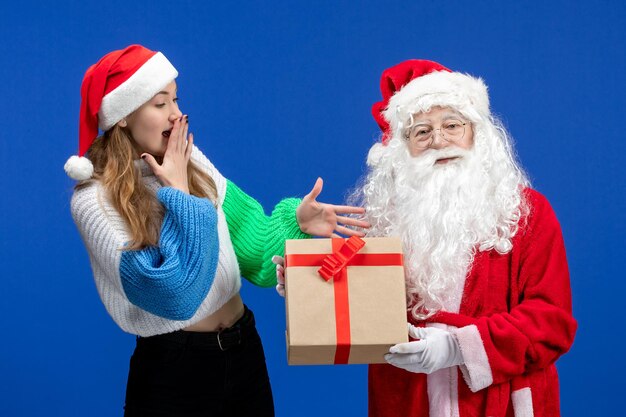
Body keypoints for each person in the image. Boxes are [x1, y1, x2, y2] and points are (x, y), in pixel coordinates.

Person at [65, 44, 368, 417]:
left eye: (176, 100)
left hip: (244, 351)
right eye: (160, 104)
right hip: (174, 372)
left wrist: (296, 223)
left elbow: (251, 247)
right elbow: (173, 294)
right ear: (123, 116)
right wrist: (180, 195)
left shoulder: (191, 161)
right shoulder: (94, 201)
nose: (177, 116)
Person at [275, 59, 576, 417]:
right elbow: (360, 311)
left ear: (476, 133)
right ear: (402, 148)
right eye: (421, 132)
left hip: (498, 403)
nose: (439, 141)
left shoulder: (526, 213)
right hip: (407, 398)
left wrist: (457, 347)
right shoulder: (386, 221)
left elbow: (551, 321)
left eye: (452, 125)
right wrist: (308, 283)